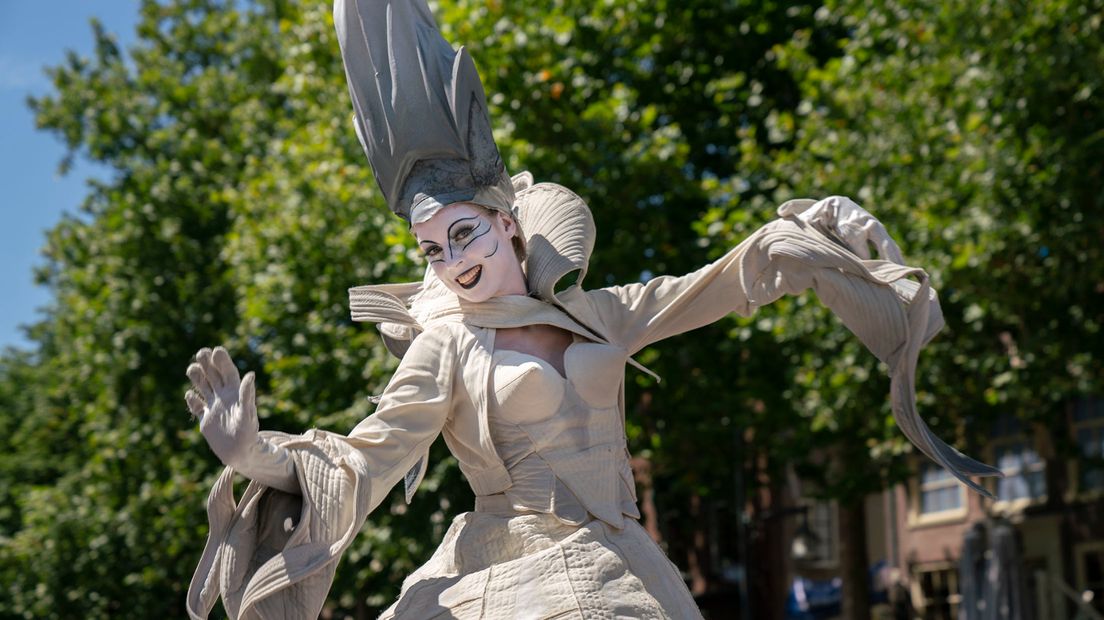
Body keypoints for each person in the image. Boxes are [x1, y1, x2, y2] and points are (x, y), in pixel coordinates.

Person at [185, 1, 1000, 618]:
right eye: (433, 250)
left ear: (506, 222)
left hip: (628, 561)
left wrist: (813, 227)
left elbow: (730, 277)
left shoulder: (601, 313)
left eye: (463, 233)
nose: (453, 260)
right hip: (519, 572)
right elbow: (364, 461)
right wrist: (254, 454)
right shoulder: (445, 349)